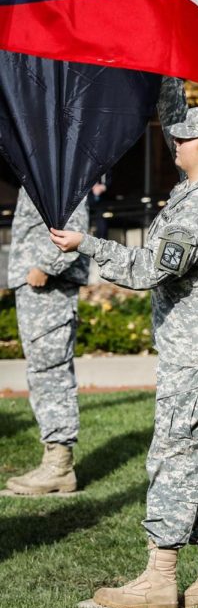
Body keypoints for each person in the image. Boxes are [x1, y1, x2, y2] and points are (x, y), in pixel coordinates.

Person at [50, 95, 198, 608]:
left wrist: (87, 246)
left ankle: (159, 580)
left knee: (177, 456)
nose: (175, 142)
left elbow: (146, 272)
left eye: (184, 137)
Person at [5, 189, 89, 495]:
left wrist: (45, 266)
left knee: (51, 372)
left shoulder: (62, 170)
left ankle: (59, 466)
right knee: (42, 371)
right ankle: (53, 459)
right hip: (35, 285)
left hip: (49, 285)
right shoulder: (42, 167)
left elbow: (75, 225)